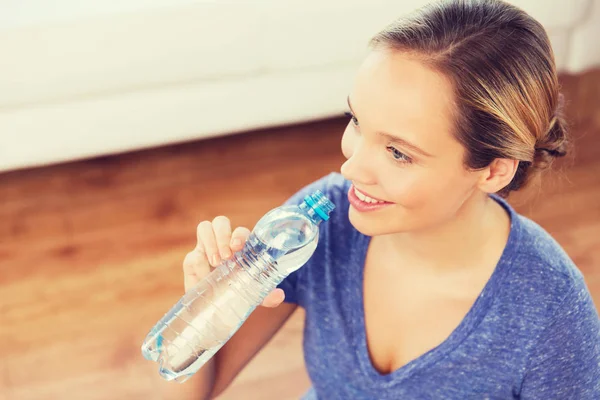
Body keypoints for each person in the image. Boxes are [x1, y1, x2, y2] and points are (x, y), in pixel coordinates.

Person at [159, 0, 600, 398]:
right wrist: (203, 310)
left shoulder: (550, 314)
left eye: (397, 152)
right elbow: (194, 391)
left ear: (493, 170)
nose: (351, 168)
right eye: (356, 120)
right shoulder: (319, 225)